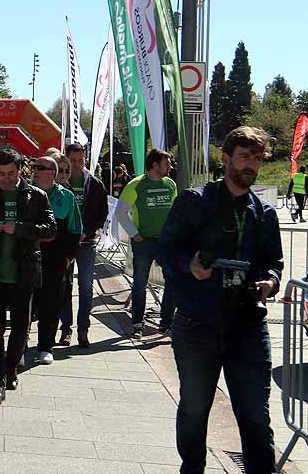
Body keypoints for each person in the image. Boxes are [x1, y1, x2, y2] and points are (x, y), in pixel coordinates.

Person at [159, 126, 283, 474]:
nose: (251, 165)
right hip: (197, 325)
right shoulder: (194, 201)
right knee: (195, 409)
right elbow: (165, 249)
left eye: (257, 159)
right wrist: (190, 264)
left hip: (248, 327)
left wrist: (270, 283)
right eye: (244, 157)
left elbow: (274, 263)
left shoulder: (264, 213)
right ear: (225, 159)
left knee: (255, 416)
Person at [0, 150, 55, 401]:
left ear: (20, 170)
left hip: (23, 275)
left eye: (11, 173)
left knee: (19, 329)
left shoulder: (36, 196)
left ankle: (11, 368)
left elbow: (50, 230)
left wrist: (21, 229)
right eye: (1, 174)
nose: (6, 179)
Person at [118, 149, 178, 336]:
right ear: (155, 165)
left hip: (166, 243)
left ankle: (166, 323)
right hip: (143, 243)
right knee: (140, 284)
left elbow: (174, 211)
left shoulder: (170, 184)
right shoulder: (135, 185)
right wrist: (134, 234)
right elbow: (120, 212)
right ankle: (137, 324)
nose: (170, 167)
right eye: (167, 163)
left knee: (172, 281)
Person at [33, 154, 81, 364]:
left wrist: (68, 257)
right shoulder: (26, 194)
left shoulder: (67, 197)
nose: (35, 171)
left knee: (51, 304)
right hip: (28, 257)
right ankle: (20, 344)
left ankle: (45, 346)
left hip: (55, 260)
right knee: (25, 303)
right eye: (35, 167)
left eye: (40, 168)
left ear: (52, 173)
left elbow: (75, 229)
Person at [61, 142, 109, 348]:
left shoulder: (95, 184)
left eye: (80, 160)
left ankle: (83, 329)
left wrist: (86, 232)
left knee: (86, 286)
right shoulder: (60, 182)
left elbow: (102, 213)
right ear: (66, 159)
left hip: (87, 242)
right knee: (64, 285)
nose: (76, 164)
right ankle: (66, 329)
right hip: (65, 242)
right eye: (72, 160)